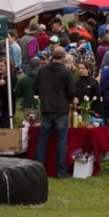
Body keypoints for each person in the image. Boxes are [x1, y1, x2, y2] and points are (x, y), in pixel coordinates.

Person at [32, 48, 74, 176]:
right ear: (62, 58)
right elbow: (71, 92)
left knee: (43, 139)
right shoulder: (66, 73)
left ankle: (38, 169)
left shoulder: (42, 71)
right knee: (61, 140)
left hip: (46, 109)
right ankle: (61, 171)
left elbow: (35, 89)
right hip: (61, 110)